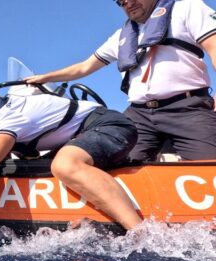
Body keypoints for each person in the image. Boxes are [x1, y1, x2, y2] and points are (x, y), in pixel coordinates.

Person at [0, 80, 143, 231]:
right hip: (87, 133)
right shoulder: (9, 111)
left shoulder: (8, 115)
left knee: (64, 165)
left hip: (109, 126)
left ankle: (139, 232)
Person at [26, 0, 216, 161]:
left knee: (208, 170)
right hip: (139, 114)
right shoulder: (121, 36)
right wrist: (45, 77)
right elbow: (85, 67)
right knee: (114, 164)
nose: (128, 3)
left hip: (187, 108)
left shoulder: (188, 8)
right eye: (121, 2)